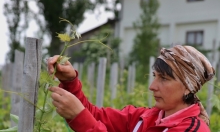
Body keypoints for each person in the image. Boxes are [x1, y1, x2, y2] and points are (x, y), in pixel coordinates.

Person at [47, 45, 215, 132]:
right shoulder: (143, 118)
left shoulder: (193, 130)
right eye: (154, 76)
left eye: (164, 79)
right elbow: (95, 116)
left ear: (188, 87)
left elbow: (87, 119)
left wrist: (80, 117)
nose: (152, 86)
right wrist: (70, 82)